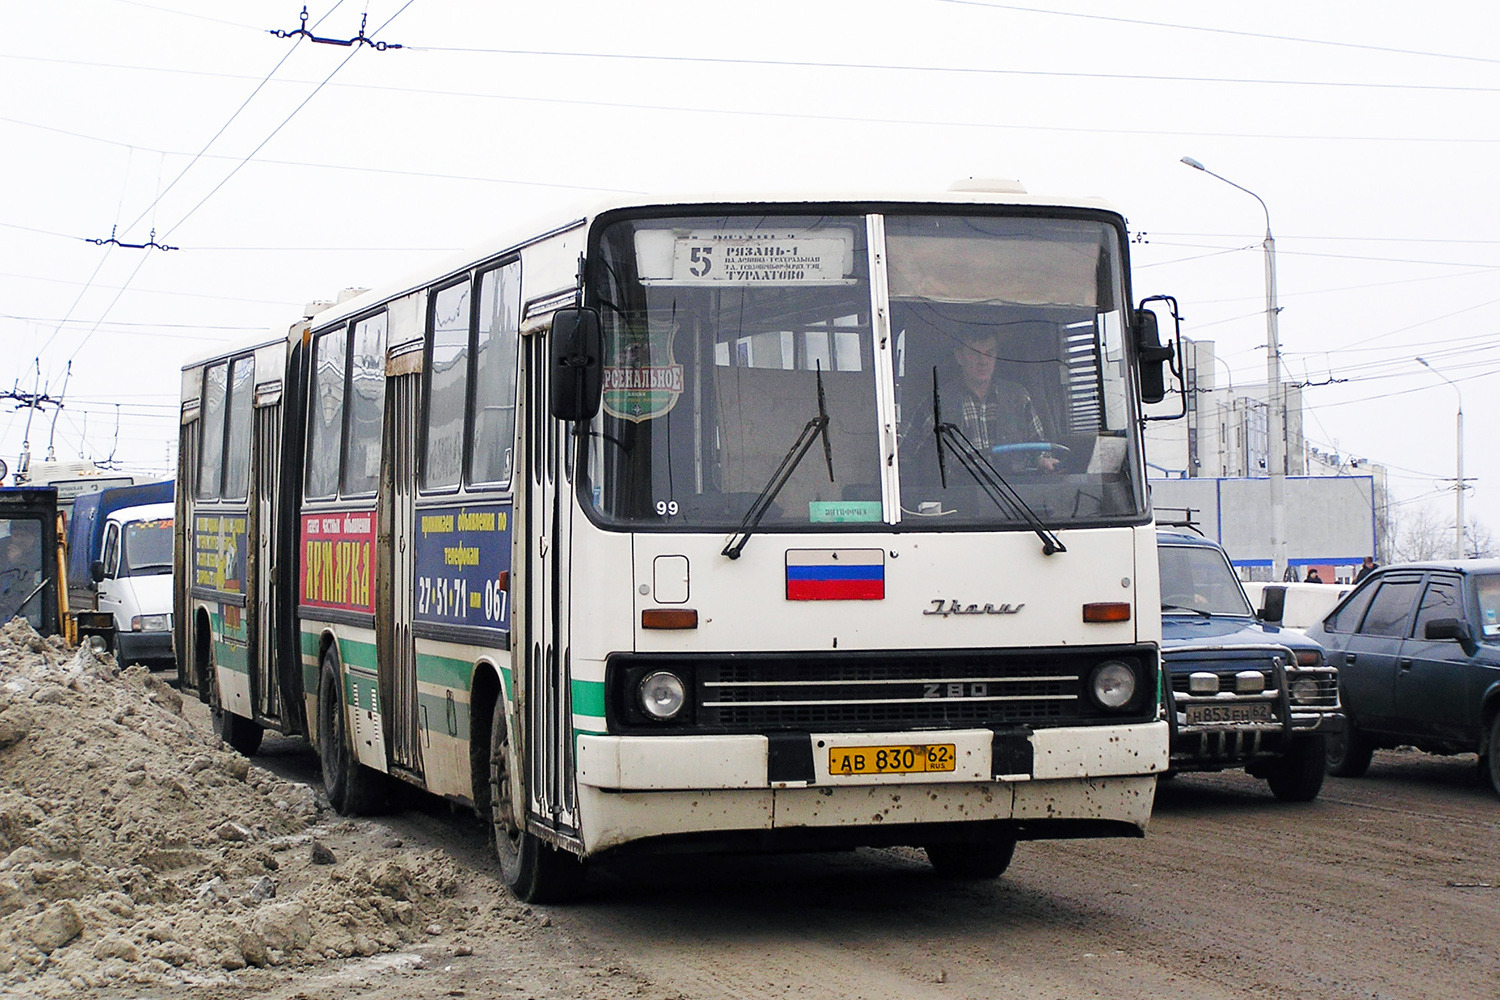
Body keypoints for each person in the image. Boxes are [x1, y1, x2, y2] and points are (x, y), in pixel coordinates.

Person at [903, 328, 1058, 474]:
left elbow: (1040, 448)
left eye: (989, 353)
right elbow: (903, 456)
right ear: (959, 356)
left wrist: (1043, 460)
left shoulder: (1019, 397)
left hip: (1014, 495)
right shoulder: (935, 405)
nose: (983, 361)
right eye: (975, 353)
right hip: (957, 496)